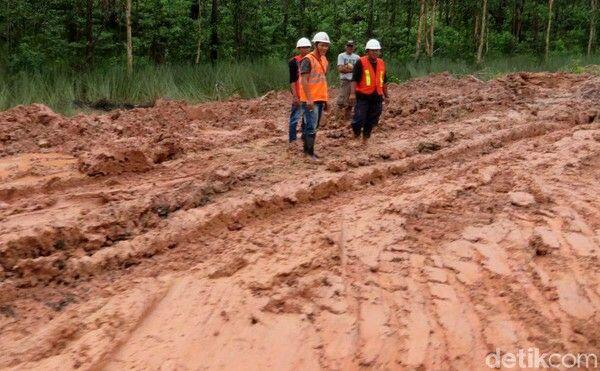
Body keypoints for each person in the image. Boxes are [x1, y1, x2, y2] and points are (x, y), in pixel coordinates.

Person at [349, 39, 389, 142]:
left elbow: (384, 81)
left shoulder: (381, 63)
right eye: (373, 50)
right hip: (363, 95)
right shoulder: (361, 62)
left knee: (373, 117)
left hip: (377, 96)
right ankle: (356, 133)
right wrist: (352, 94)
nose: (375, 53)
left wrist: (386, 95)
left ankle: (366, 137)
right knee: (359, 118)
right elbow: (354, 79)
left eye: (377, 50)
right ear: (367, 51)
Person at [299, 31, 330, 160]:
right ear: (316, 45)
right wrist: (309, 99)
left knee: (313, 125)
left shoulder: (324, 60)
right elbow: (304, 80)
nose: (324, 48)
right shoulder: (308, 59)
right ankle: (309, 153)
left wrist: (326, 100)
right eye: (322, 45)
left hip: (320, 98)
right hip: (310, 99)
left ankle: (307, 151)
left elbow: (322, 80)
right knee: (311, 126)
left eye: (326, 46)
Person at [288, 37, 311, 145]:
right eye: (303, 47)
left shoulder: (311, 60)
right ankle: (292, 139)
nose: (305, 49)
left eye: (307, 47)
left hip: (308, 94)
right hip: (298, 93)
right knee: (295, 118)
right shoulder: (293, 62)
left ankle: (304, 137)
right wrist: (295, 96)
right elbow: (292, 80)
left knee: (307, 118)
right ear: (299, 48)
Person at [336, 40, 360, 120]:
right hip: (345, 81)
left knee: (351, 102)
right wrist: (353, 70)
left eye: (351, 46)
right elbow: (340, 69)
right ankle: (338, 120)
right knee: (341, 102)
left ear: (354, 47)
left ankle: (347, 120)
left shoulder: (357, 57)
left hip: (354, 81)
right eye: (348, 46)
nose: (350, 47)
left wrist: (347, 68)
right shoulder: (341, 56)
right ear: (345, 47)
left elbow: (359, 69)